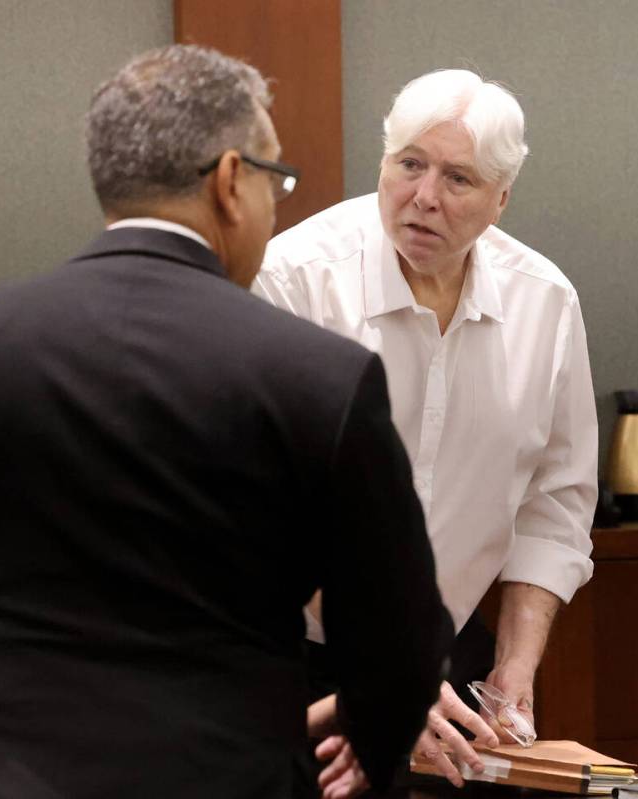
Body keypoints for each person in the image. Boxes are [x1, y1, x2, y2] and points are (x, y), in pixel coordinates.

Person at [0, 44, 453, 799]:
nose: (276, 203)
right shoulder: (319, 376)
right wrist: (371, 739)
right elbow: (402, 639)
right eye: (274, 177)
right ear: (231, 181)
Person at [255, 68, 598, 787]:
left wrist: (514, 670)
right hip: (291, 652)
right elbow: (271, 505)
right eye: (408, 164)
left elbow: (555, 500)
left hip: (454, 655)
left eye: (458, 179)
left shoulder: (545, 303)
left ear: (500, 199)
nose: (424, 197)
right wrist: (389, 669)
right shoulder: (294, 278)